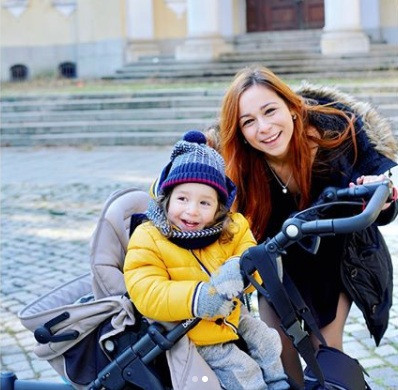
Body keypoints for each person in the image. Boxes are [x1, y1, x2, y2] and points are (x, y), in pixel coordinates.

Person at [210, 66, 398, 385]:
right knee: (278, 354)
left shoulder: (334, 133)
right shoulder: (239, 163)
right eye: (249, 121)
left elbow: (380, 167)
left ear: (292, 106)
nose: (265, 127)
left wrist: (385, 185)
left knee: (324, 351)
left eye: (270, 110)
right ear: (240, 131)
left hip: (338, 260)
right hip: (278, 264)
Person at [124, 130, 289, 390]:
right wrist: (198, 298)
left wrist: (246, 269)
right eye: (182, 199)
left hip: (230, 314)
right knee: (241, 369)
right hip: (190, 331)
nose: (191, 210)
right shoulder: (149, 236)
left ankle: (278, 381)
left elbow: (252, 262)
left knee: (266, 338)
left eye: (204, 202)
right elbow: (145, 291)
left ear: (219, 208)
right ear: (166, 199)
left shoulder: (231, 228)